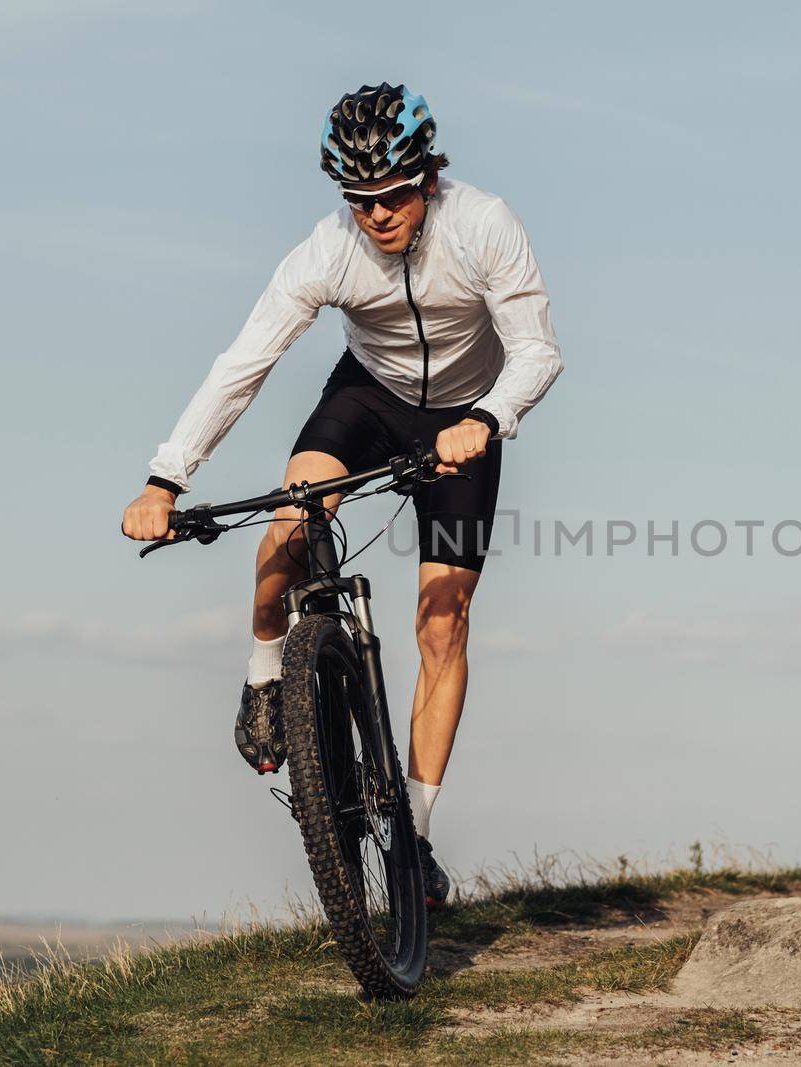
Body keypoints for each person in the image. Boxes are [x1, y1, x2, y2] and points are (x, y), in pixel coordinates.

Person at [120, 82, 563, 907]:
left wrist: (491, 417)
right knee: (291, 521)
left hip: (465, 418)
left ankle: (415, 841)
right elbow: (244, 361)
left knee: (443, 623)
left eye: (393, 195)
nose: (377, 215)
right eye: (359, 200)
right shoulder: (328, 250)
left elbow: (537, 350)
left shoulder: (484, 224)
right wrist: (166, 475)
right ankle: (263, 673)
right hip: (367, 398)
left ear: (429, 177)